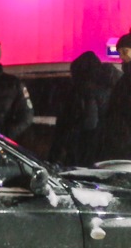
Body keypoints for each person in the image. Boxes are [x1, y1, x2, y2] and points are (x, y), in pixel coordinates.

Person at [50, 50, 115, 168]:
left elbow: (90, 121)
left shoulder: (86, 90)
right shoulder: (108, 88)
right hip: (102, 147)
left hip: (85, 147)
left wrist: (72, 130)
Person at [100, 32, 131, 162]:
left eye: (125, 51)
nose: (122, 56)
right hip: (121, 139)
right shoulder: (124, 77)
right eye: (120, 52)